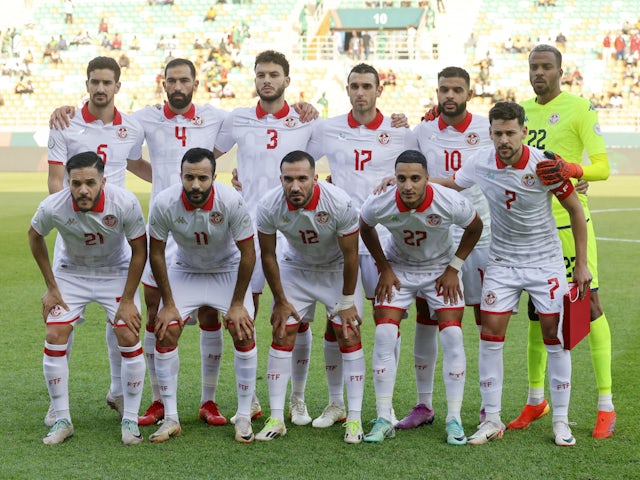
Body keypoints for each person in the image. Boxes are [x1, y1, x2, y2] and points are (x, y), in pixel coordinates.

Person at [48, 58, 237, 428]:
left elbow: (258, 121)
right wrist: (165, 183)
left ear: (195, 83)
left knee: (204, 313)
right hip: (149, 228)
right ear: (162, 82)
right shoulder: (140, 120)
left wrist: (193, 181)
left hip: (161, 230)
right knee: (143, 313)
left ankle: (208, 400)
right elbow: (126, 164)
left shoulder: (210, 117)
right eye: (172, 80)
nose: (178, 85)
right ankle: (142, 398)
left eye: (185, 79)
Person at [434, 101, 591, 447]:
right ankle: (491, 419)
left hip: (544, 263)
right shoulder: (479, 162)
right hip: (502, 262)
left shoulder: (544, 166)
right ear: (489, 132)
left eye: (510, 132)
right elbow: (452, 183)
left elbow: (576, 212)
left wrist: (581, 263)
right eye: (498, 133)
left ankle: (561, 421)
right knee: (490, 333)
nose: (504, 139)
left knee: (555, 336)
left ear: (523, 131)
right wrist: (412, 180)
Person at [510, 44, 615, 439]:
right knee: (541, 312)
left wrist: (574, 169)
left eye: (546, 67)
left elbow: (602, 167)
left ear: (560, 70)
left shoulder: (581, 108)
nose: (539, 73)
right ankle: (537, 399)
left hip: (571, 227)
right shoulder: (520, 111)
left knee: (590, 306)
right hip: (532, 229)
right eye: (534, 67)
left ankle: (606, 405)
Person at [306, 63, 416, 430]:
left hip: (387, 241)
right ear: (348, 89)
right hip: (342, 240)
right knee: (337, 320)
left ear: (379, 89)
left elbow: (422, 173)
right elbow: (296, 155)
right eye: (354, 86)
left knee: (388, 320)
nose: (359, 92)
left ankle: (385, 405)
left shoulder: (399, 132)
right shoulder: (327, 128)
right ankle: (336, 402)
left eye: (366, 86)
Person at [214, 51, 320, 427]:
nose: (267, 80)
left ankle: (298, 398)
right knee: (246, 312)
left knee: (295, 316)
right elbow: (206, 157)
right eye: (261, 75)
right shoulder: (237, 118)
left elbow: (335, 157)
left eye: (274, 74)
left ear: (287, 80)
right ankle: (251, 397)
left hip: (290, 231)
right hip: (246, 229)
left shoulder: (307, 120)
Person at [45, 56, 149, 429]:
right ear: (86, 83)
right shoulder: (64, 121)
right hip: (75, 238)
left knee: (121, 321)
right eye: (94, 82)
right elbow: (56, 180)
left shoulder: (132, 127)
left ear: (118, 86)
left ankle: (119, 392)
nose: (100, 88)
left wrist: (176, 181)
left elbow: (135, 165)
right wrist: (73, 216)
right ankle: (58, 406)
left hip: (116, 238)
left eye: (107, 82)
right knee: (60, 325)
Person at [359, 149, 482, 445]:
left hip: (440, 269)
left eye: (415, 178)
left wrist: (455, 267)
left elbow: (475, 227)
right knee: (385, 333)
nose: (408, 185)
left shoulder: (448, 199)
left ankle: (453, 418)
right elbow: (364, 226)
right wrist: (385, 268)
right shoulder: (383, 201)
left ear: (427, 178)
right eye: (402, 178)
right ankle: (383, 417)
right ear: (395, 178)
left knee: (452, 337)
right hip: (399, 268)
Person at [29, 151, 147, 445]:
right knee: (55, 333)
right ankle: (62, 418)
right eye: (76, 183)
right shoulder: (54, 205)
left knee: (128, 334)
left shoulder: (125, 202)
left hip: (115, 271)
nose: (83, 190)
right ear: (68, 182)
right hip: (72, 272)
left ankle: (130, 419)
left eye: (90, 183)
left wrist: (129, 299)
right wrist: (51, 286)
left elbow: (140, 249)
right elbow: (34, 235)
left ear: (103, 181)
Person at [399, 66, 493, 430]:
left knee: (487, 319)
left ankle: (489, 406)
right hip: (436, 238)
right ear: (436, 92)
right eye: (443, 89)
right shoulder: (422, 131)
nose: (449, 95)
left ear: (469, 93)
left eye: (456, 89)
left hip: (479, 235)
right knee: (428, 316)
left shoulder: (486, 128)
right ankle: (424, 405)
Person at [147, 148, 257, 443]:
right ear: (181, 176)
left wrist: (236, 304)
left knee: (243, 330)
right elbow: (156, 254)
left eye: (202, 178)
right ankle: (171, 417)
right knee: (166, 330)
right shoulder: (165, 202)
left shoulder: (231, 200)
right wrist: (168, 305)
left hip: (227, 269)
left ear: (213, 178)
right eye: (189, 177)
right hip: (187, 270)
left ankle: (244, 416)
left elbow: (249, 253)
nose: (195, 185)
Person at [254, 151, 365, 444]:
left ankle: (352, 418)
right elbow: (267, 254)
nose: (295, 186)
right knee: (282, 329)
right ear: (281, 179)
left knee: (349, 333)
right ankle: (277, 417)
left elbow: (352, 255)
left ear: (315, 178)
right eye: (288, 179)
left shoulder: (339, 202)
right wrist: (279, 299)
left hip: (336, 268)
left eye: (302, 178)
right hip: (296, 267)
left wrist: (345, 301)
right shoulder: (268, 205)